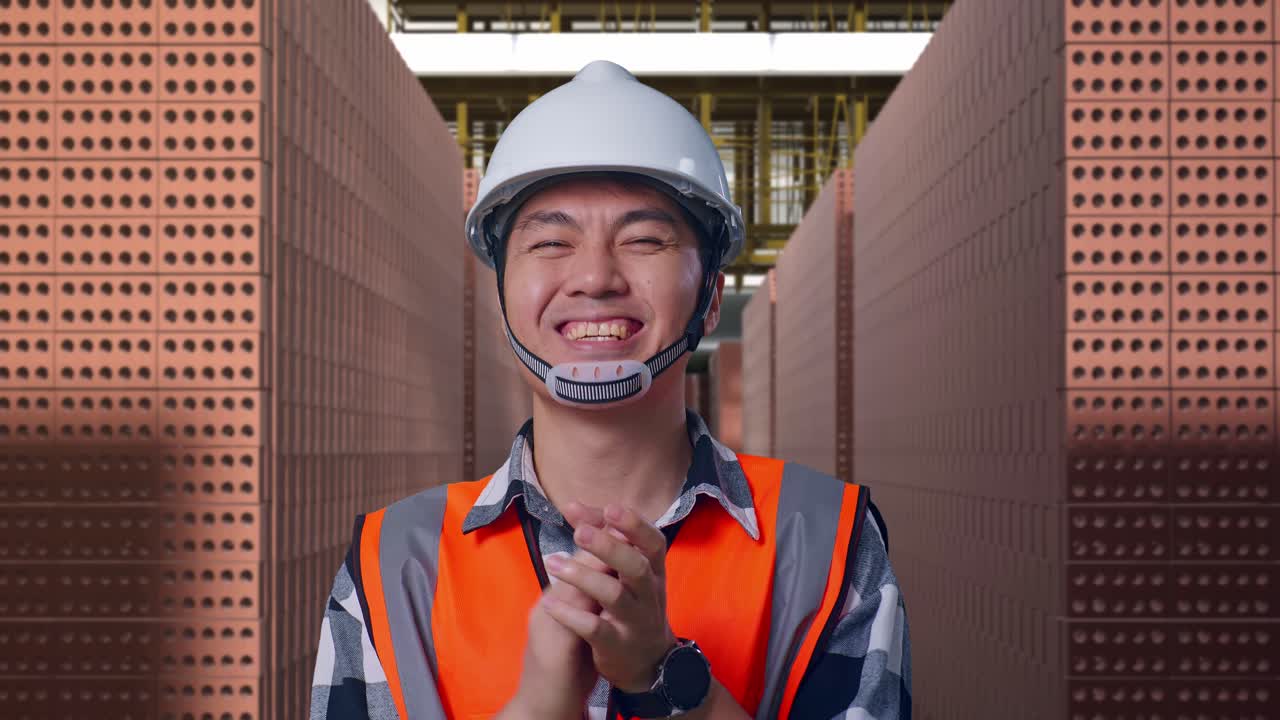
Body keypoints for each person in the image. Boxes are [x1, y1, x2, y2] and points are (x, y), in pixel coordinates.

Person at [309, 60, 910, 720]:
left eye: (645, 239)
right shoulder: (393, 562)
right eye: (550, 242)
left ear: (711, 296)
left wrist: (668, 681)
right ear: (502, 296)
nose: (595, 277)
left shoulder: (827, 541)